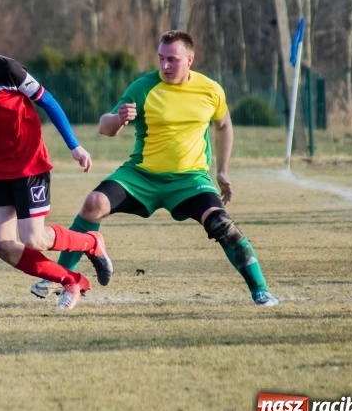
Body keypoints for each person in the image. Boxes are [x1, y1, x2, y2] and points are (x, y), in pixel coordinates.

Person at [30, 30, 279, 307]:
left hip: (189, 179)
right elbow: (104, 127)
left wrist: (222, 171)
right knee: (93, 203)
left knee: (222, 224)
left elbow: (224, 126)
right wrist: (118, 118)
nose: (165, 66)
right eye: (161, 58)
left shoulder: (211, 90)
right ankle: (60, 277)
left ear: (190, 60)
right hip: (141, 176)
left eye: (172, 59)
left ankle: (261, 290)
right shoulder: (143, 87)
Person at [0, 13, 113, 310]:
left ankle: (91, 243)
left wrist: (74, 145)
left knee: (34, 238)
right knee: (0, 244)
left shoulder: (6, 69)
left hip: (29, 164)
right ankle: (71, 280)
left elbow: (48, 102)